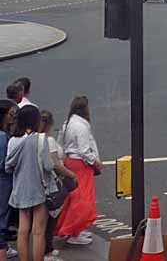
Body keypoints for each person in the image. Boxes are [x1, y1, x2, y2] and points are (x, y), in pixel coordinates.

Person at [5, 105, 54, 261]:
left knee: (22, 230)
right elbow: (48, 166)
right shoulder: (40, 139)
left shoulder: (13, 140)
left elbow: (9, 167)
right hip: (39, 189)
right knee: (38, 231)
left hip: (20, 189)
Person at [55, 96, 102, 246]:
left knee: (73, 198)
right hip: (80, 164)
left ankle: (73, 229)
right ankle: (74, 231)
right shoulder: (81, 126)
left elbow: (60, 145)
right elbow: (84, 149)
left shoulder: (67, 123)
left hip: (70, 162)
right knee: (83, 199)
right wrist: (94, 161)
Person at [39, 111, 77, 261]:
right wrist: (70, 174)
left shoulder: (35, 139)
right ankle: (47, 252)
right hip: (51, 185)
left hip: (41, 184)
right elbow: (55, 164)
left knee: (45, 221)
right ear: (50, 124)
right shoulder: (49, 141)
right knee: (50, 219)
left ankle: (48, 248)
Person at [0, 100, 18, 261]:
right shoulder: (2, 137)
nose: (13, 116)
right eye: (11, 114)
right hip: (3, 184)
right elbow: (5, 164)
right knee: (2, 217)